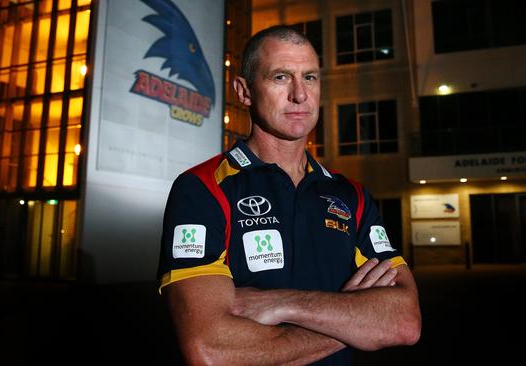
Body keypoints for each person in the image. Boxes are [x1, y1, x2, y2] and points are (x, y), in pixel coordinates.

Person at [157, 25, 421, 365]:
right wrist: (357, 319)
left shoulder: (351, 196)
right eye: (281, 77)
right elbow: (212, 350)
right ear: (244, 91)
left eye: (309, 77)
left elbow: (405, 320)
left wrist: (283, 302)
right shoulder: (203, 188)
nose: (300, 95)